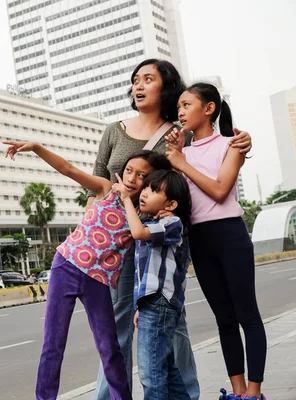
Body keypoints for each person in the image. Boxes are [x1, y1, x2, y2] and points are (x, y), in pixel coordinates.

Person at [88, 58, 253, 400]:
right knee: (116, 325)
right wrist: (91, 239)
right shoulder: (113, 131)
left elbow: (209, 155)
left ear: (166, 87)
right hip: (118, 241)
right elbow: (99, 187)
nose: (139, 84)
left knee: (172, 324)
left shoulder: (180, 134)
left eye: (148, 78)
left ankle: (187, 395)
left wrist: (243, 140)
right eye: (135, 79)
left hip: (164, 243)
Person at [4, 139, 173, 400]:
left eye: (142, 176)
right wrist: (37, 148)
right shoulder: (106, 188)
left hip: (99, 280)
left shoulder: (143, 214)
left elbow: (144, 253)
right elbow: (69, 170)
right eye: (129, 170)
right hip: (66, 266)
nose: (131, 178)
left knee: (109, 348)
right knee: (53, 344)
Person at [166, 83, 267, 400]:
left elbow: (221, 190)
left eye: (186, 105)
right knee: (223, 319)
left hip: (230, 234)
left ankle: (253, 393)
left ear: (208, 108)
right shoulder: (179, 154)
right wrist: (177, 159)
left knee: (246, 315)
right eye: (178, 107)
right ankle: (236, 392)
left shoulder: (232, 144)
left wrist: (182, 164)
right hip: (200, 238)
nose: (180, 112)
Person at [113, 169, 192, 399]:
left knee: (151, 374)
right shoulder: (153, 221)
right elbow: (145, 272)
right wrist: (140, 306)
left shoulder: (172, 223)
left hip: (161, 302)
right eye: (146, 187)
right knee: (168, 373)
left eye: (154, 190)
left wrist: (127, 199)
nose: (145, 192)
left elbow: (137, 233)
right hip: (153, 303)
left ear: (171, 204)